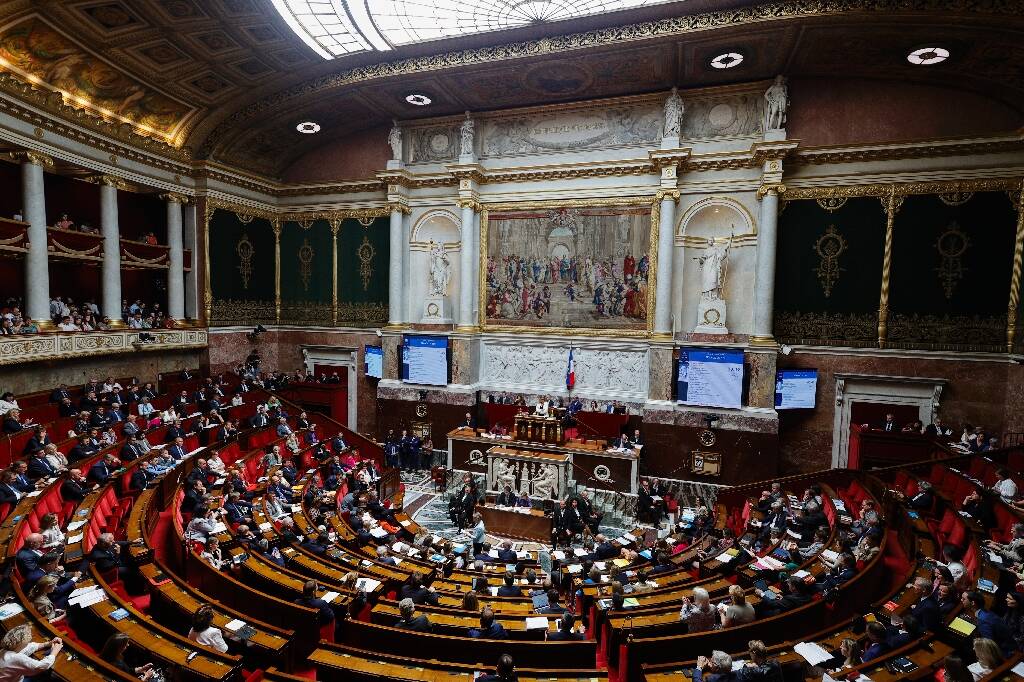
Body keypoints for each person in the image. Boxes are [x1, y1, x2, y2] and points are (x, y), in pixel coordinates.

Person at [963, 591, 1015, 655]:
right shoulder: (986, 612)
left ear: (973, 603)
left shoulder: (983, 620)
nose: (961, 600)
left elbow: (990, 645)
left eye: (964, 599)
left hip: (1004, 653)